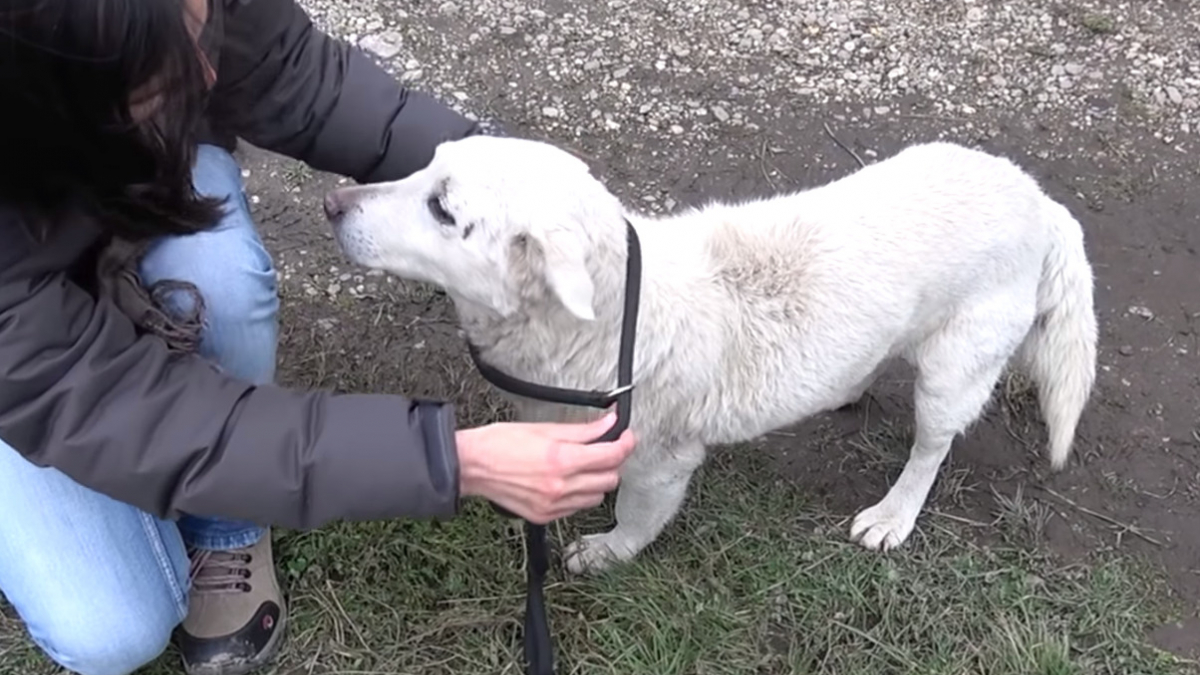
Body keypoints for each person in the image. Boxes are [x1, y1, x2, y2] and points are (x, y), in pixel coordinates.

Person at [0, 2, 637, 675]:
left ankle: (227, 526)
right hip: (24, 286)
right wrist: (451, 461)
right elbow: (128, 413)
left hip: (107, 168)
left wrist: (508, 184)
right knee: (114, 629)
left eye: (201, 22)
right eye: (157, 80)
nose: (211, 73)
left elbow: (294, 72)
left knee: (223, 285)